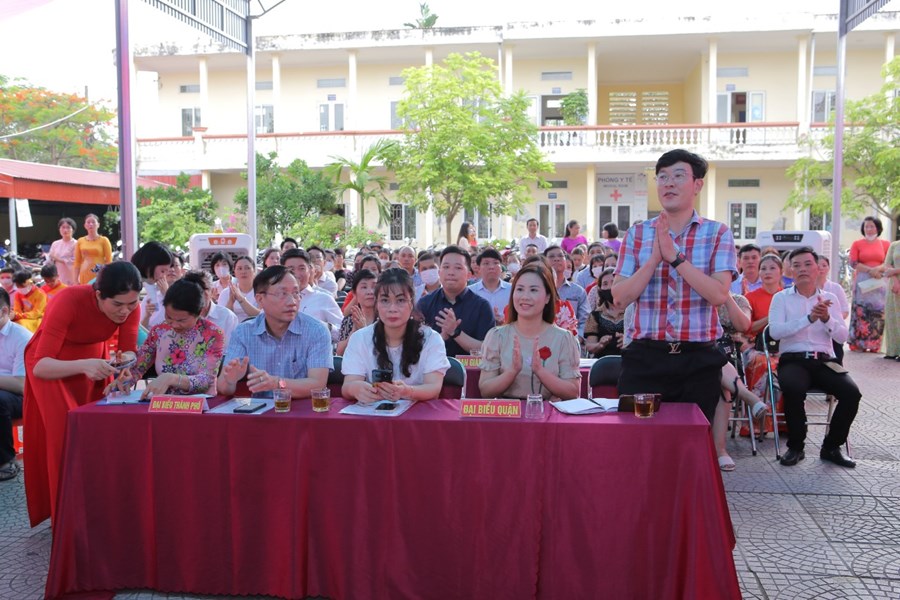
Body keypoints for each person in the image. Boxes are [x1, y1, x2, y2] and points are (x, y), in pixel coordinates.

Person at [612, 149, 737, 424]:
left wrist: (676, 258)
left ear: (697, 185)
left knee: (691, 440)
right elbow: (619, 298)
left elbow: (718, 294)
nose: (669, 183)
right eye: (662, 177)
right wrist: (654, 260)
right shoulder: (638, 234)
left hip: (697, 359)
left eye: (679, 176)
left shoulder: (717, 233)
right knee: (639, 439)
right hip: (645, 358)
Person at [23, 261, 142, 526]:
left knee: (98, 434)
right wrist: (84, 366)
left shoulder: (130, 306)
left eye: (132, 304)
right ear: (98, 294)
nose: (125, 311)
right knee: (64, 438)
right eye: (118, 304)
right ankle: (68, 518)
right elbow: (41, 365)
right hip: (53, 366)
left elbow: (128, 349)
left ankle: (98, 507)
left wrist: (124, 367)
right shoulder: (68, 300)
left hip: (94, 361)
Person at [769, 247, 860, 468]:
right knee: (793, 388)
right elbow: (775, 332)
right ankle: (796, 446)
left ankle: (831, 446)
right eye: (796, 265)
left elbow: (842, 336)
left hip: (824, 360)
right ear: (790, 270)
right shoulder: (781, 298)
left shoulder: (829, 298)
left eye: (807, 264)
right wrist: (809, 319)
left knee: (851, 393)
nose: (802, 269)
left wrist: (827, 318)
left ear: (818, 268)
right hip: (793, 359)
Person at [217, 266, 332, 399]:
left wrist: (277, 383)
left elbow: (317, 385)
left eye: (296, 293)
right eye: (282, 294)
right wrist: (230, 381)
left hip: (302, 409)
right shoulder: (243, 333)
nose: (292, 302)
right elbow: (224, 388)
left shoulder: (316, 331)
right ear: (260, 299)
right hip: (261, 409)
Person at [342, 269, 449, 403]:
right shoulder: (360, 338)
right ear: (376, 304)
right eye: (385, 300)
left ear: (411, 303)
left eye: (400, 300)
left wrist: (408, 392)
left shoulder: (431, 339)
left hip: (417, 413)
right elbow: (347, 386)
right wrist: (355, 389)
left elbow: (434, 388)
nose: (392, 309)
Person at [479, 263, 581, 400]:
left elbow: (573, 391)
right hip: (508, 411)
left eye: (533, 290)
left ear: (547, 297)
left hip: (548, 412)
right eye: (520, 289)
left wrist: (540, 371)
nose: (525, 296)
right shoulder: (497, 336)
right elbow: (485, 390)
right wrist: (512, 371)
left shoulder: (563, 338)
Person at [109, 278, 225, 398]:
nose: (174, 325)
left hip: (199, 403)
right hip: (163, 402)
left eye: (181, 320)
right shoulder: (159, 331)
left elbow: (206, 381)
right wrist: (125, 380)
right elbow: (139, 366)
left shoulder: (212, 334)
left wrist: (171, 379)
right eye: (169, 317)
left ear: (199, 313)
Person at [417, 245, 495, 357]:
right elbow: (416, 346)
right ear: (439, 272)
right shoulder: (424, 304)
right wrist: (441, 337)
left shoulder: (482, 307)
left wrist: (455, 332)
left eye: (458, 268)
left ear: (469, 275)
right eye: (446, 267)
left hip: (470, 368)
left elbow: (488, 349)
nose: (451, 272)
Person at [0, 289, 31, 482]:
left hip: (23, 397)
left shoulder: (21, 337)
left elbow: (22, 385)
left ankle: (6, 461)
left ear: (4, 311)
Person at [848, 216, 890, 352]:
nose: (869, 229)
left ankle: (875, 344)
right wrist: (870, 270)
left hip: (879, 280)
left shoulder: (885, 244)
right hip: (862, 280)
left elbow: (888, 262)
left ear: (878, 228)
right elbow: (853, 263)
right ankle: (859, 343)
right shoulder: (857, 244)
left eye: (872, 226)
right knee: (861, 311)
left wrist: (877, 270)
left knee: (878, 312)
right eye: (866, 226)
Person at [281, 248, 343, 340]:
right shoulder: (274, 298)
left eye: (302, 268)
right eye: (291, 269)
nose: (297, 274)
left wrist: (324, 326)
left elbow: (342, 333)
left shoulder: (324, 299)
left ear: (310, 270)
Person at [183, 270, 239, 347]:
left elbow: (231, 349)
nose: (199, 294)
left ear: (211, 290)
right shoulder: (180, 318)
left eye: (203, 289)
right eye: (193, 290)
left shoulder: (228, 317)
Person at [544, 245, 588, 337]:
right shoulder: (538, 290)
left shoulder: (578, 291)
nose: (556, 259)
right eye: (551, 256)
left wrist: (578, 337)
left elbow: (585, 320)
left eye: (560, 256)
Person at [131, 241, 174, 330]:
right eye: (162, 271)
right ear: (149, 265)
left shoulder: (142, 286)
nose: (163, 276)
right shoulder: (130, 285)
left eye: (166, 272)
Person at [584, 268, 624, 358]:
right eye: (605, 284)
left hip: (630, 361)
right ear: (600, 289)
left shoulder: (633, 312)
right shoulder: (595, 315)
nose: (610, 287)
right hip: (603, 362)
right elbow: (590, 346)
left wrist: (629, 341)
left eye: (613, 282)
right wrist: (600, 345)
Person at [336, 268, 377, 356]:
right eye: (364, 287)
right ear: (355, 293)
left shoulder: (385, 319)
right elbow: (340, 353)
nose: (370, 292)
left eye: (374, 287)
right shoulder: (349, 320)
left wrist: (363, 330)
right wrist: (354, 332)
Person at [470, 248, 512, 326]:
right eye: (486, 263)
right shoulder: (470, 292)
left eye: (496, 263)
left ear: (501, 268)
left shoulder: (512, 290)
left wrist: (504, 322)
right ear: (479, 268)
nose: (491, 267)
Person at [218, 256, 261, 321]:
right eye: (239, 268)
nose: (243, 272)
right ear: (234, 272)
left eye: (247, 268)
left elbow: (261, 316)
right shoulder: (226, 292)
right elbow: (222, 318)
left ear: (254, 271)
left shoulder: (261, 292)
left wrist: (241, 299)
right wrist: (231, 301)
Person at [73, 213, 113, 284]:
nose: (91, 224)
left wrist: (108, 276)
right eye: (88, 222)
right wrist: (75, 279)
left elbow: (109, 261)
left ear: (98, 225)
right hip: (84, 272)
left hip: (99, 272)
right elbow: (77, 262)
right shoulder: (80, 241)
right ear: (85, 225)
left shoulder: (104, 240)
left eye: (93, 222)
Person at [882, 239, 900, 361]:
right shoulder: (894, 245)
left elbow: (891, 269)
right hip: (894, 286)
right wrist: (895, 279)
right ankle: (893, 350)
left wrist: (895, 270)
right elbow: (887, 265)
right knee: (892, 316)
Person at [47, 217, 77, 286]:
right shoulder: (55, 243)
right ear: (59, 229)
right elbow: (50, 260)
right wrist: (49, 257)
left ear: (73, 230)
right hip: (57, 274)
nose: (65, 230)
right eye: (63, 227)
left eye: (68, 227)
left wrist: (57, 259)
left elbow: (75, 261)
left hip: (70, 275)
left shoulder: (76, 244)